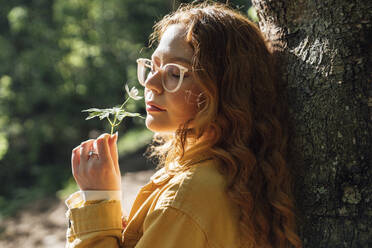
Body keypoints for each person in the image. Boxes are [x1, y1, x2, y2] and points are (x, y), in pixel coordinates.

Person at [65, 2, 302, 248]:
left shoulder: (185, 199)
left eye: (175, 73)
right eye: (153, 66)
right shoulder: (237, 171)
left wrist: (98, 201)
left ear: (224, 91)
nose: (151, 83)